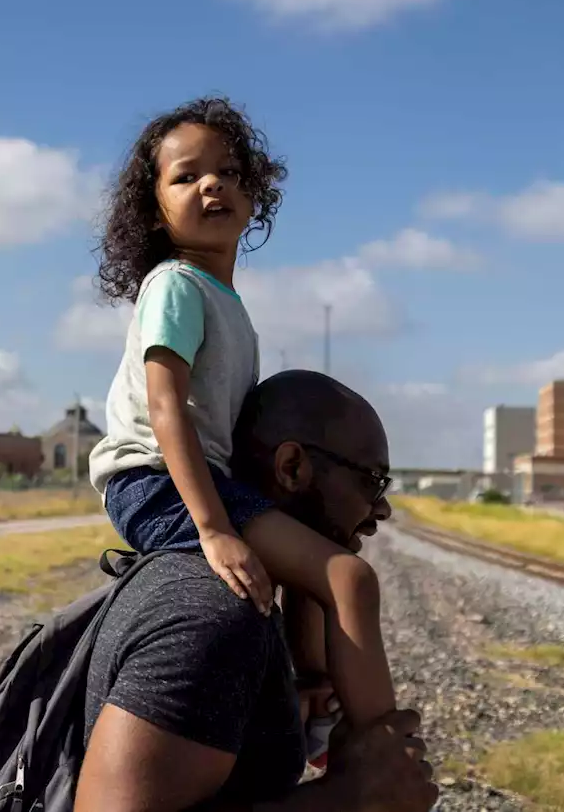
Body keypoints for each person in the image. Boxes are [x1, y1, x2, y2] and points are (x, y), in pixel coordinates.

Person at [85, 96, 395, 734]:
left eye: (227, 172)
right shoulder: (176, 285)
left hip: (198, 478)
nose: (211, 184)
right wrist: (213, 528)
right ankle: (385, 751)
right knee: (351, 579)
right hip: (157, 482)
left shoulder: (222, 298)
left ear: (253, 195)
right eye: (186, 176)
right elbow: (165, 407)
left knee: (317, 552)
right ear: (154, 209)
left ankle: (309, 703)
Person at [76, 369, 438, 811]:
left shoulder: (235, 600)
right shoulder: (214, 617)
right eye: (372, 480)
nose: (381, 507)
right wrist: (347, 797)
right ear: (292, 467)